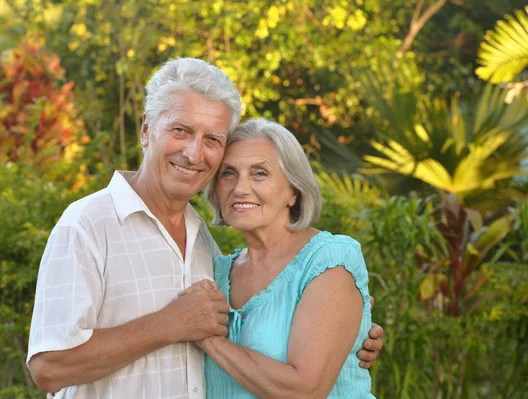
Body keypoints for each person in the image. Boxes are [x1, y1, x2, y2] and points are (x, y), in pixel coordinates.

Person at [26, 58, 383, 399]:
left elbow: (291, 357)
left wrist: (350, 335)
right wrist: (172, 324)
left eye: (212, 139)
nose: (195, 154)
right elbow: (49, 368)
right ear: (147, 130)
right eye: (181, 130)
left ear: (293, 190)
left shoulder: (204, 246)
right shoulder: (88, 225)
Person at [201, 118, 375, 398]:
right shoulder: (214, 273)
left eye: (259, 173)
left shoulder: (328, 260)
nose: (240, 188)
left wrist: (207, 338)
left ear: (293, 191)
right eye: (228, 173)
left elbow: (305, 391)